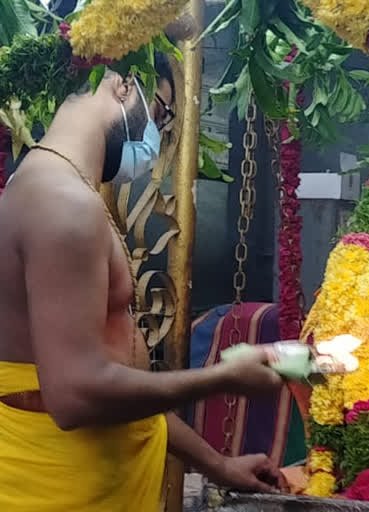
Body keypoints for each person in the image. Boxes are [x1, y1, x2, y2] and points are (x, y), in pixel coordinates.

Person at [0, 52, 286, 511]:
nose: (158, 134)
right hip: (54, 491)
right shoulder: (62, 203)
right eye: (160, 113)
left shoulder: (61, 189)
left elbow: (118, 380)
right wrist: (221, 379)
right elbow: (75, 394)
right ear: (124, 86)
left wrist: (218, 465)